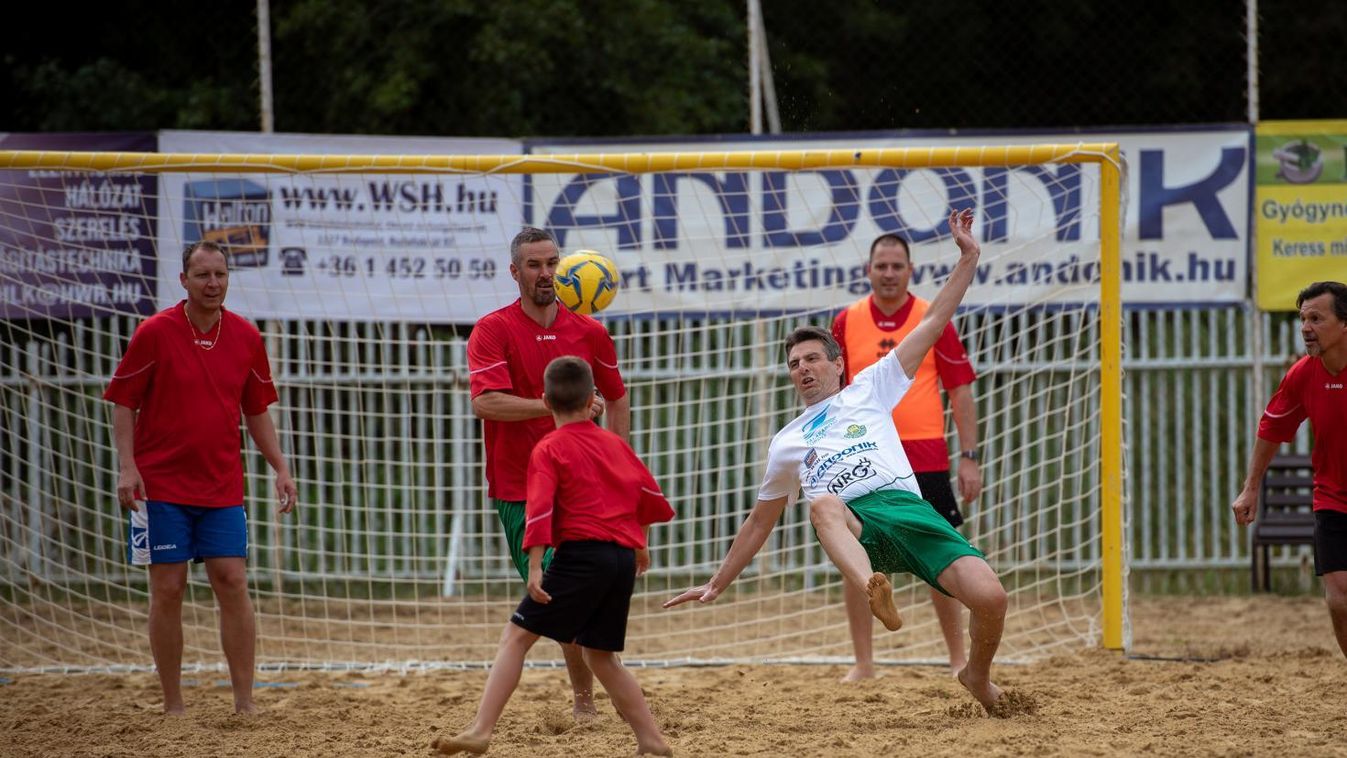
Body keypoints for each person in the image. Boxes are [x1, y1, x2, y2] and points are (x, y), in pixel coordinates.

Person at [665, 209, 1009, 713]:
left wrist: (970, 256)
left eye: (811, 359)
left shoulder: (871, 387)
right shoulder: (788, 440)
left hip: (906, 510)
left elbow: (934, 320)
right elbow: (761, 521)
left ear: (838, 363)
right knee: (821, 503)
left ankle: (975, 676)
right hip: (854, 524)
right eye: (794, 364)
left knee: (992, 599)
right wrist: (717, 583)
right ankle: (874, 588)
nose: (802, 369)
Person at [434, 356, 674, 756]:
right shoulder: (615, 444)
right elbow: (648, 497)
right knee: (601, 657)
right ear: (591, 401)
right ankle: (651, 741)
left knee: (515, 638)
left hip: (581, 555)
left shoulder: (548, 448)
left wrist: (533, 565)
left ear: (545, 400)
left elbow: (540, 510)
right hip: (619, 561)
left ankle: (480, 730)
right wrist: (641, 544)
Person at [105, 240, 297, 715]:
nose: (213, 283)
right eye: (203, 275)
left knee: (232, 581)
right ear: (184, 280)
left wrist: (281, 466)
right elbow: (123, 401)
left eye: (221, 275)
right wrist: (127, 467)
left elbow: (255, 411)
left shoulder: (246, 337)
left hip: (221, 485)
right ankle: (174, 704)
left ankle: (244, 704)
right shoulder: (155, 332)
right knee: (167, 589)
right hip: (160, 486)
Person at [466, 226, 631, 718]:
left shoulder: (590, 331)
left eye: (553, 263)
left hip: (584, 489)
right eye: (535, 265)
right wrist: (551, 405)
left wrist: (617, 465)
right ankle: (588, 703)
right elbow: (486, 403)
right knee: (561, 597)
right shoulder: (493, 329)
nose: (546, 274)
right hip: (522, 489)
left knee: (576, 597)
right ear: (515, 272)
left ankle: (588, 706)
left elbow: (617, 398)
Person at [831, 231, 982, 680]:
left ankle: (957, 659)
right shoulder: (845, 321)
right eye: (882, 265)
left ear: (910, 271)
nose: (890, 273)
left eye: (898, 266)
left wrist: (969, 456)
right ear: (868, 270)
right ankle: (863, 663)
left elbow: (960, 390)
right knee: (855, 557)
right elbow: (833, 398)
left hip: (926, 458)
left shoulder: (932, 319)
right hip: (866, 459)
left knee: (946, 558)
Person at [1232, 280, 1347, 658]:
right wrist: (1251, 488)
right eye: (1302, 319)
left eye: (1316, 318)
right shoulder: (1303, 374)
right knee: (1338, 600)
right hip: (1332, 498)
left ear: (1344, 323)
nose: (1305, 328)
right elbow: (1271, 428)